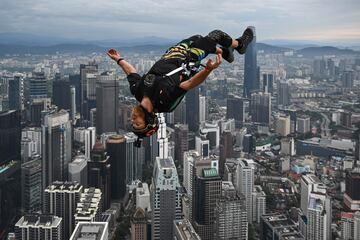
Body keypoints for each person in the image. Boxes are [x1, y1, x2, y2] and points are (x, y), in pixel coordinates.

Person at [107, 28, 254, 140]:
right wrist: (208, 70)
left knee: (197, 37)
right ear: (149, 120)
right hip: (190, 59)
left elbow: (131, 73)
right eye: (138, 124)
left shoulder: (137, 92)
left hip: (173, 53)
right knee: (216, 35)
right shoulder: (166, 103)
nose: (133, 121)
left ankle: (224, 52)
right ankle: (240, 45)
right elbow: (188, 84)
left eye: (133, 124)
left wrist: (119, 60)